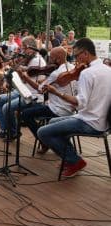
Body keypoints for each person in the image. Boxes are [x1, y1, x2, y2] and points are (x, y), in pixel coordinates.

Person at [37, 38, 111, 178]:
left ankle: (75, 161)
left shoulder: (87, 73)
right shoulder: (108, 70)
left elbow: (80, 103)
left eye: (77, 56)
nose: (76, 59)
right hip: (103, 121)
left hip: (91, 122)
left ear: (85, 54)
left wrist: (56, 92)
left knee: (42, 132)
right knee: (53, 123)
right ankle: (69, 157)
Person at [20, 47, 76, 154]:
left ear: (58, 59)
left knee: (25, 114)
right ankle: (47, 139)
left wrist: (25, 77)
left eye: (51, 58)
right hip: (71, 108)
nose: (49, 61)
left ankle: (44, 140)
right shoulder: (72, 67)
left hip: (58, 109)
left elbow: (40, 89)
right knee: (34, 109)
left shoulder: (56, 73)